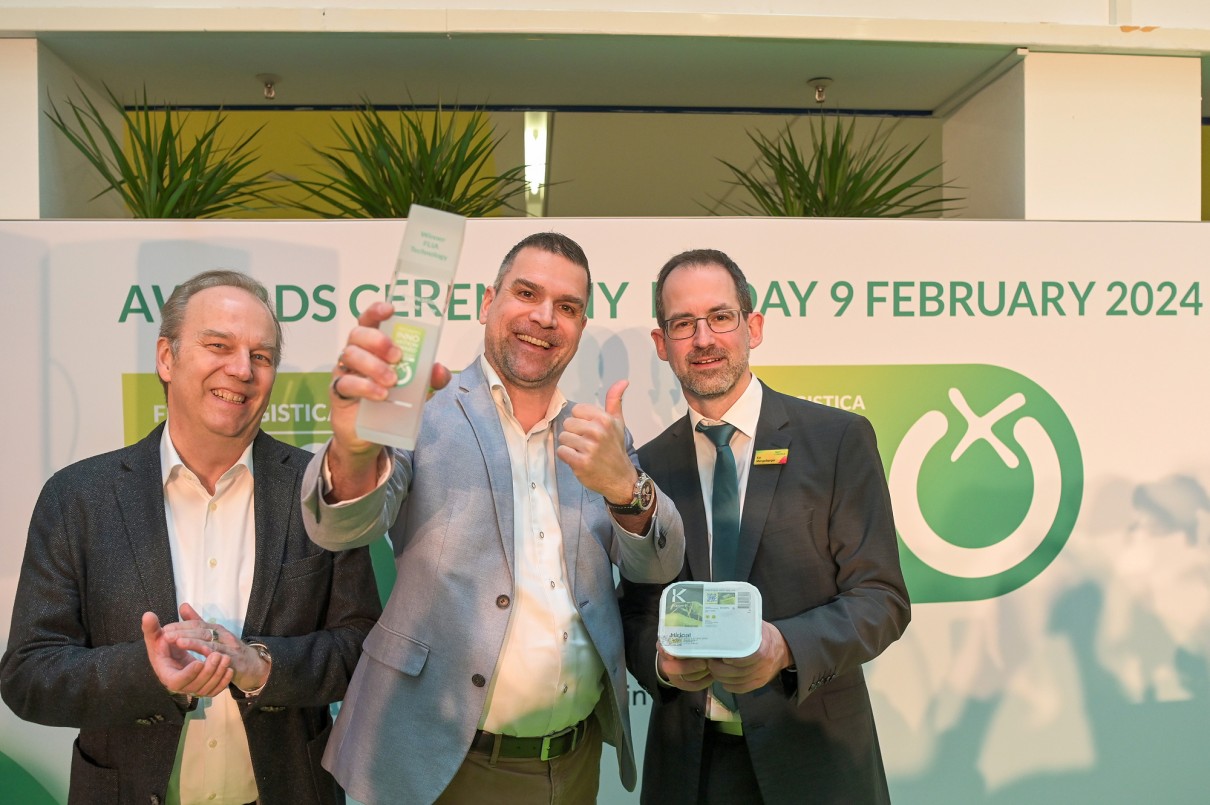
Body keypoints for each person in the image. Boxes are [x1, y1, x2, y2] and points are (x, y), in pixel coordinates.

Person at [300, 232, 685, 805]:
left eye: (568, 307)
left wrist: (626, 489)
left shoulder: (598, 433)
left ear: (579, 328)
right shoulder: (420, 409)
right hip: (439, 764)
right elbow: (344, 527)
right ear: (487, 302)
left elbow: (659, 563)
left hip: (573, 762)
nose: (544, 318)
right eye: (526, 293)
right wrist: (354, 452)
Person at [0, 270, 382, 805]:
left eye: (262, 356)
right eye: (218, 346)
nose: (242, 370)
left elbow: (362, 648)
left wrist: (262, 666)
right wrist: (145, 670)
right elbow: (28, 676)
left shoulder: (317, 490)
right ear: (166, 358)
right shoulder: (78, 498)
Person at [619, 249, 911, 804]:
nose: (703, 338)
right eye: (683, 324)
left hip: (815, 760)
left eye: (720, 317)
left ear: (752, 327)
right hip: (689, 770)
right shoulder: (646, 469)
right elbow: (634, 609)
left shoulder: (836, 440)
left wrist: (784, 647)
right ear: (662, 345)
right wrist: (659, 661)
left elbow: (882, 598)